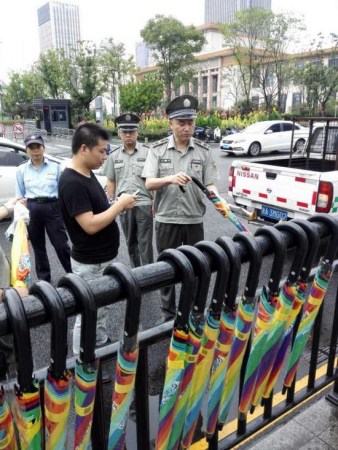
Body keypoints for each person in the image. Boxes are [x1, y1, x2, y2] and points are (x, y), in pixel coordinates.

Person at [58, 122, 137, 356]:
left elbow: (96, 210)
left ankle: (99, 343)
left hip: (101, 258)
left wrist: (115, 205)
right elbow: (90, 225)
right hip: (91, 262)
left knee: (100, 309)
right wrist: (120, 206)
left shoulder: (86, 173)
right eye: (101, 151)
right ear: (84, 148)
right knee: (89, 312)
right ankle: (84, 361)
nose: (105, 156)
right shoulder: (72, 182)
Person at [142, 94, 219, 322]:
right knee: (167, 267)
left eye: (190, 123)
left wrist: (213, 193)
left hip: (194, 219)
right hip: (166, 219)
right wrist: (171, 178)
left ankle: (193, 310)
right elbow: (149, 183)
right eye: (181, 123)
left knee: (196, 266)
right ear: (171, 124)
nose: (187, 128)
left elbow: (211, 182)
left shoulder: (204, 151)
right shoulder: (157, 150)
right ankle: (167, 313)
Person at [16, 134, 71, 283]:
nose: (35, 151)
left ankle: (73, 274)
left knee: (61, 244)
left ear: (43, 148)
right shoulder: (21, 170)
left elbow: (62, 192)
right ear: (27, 150)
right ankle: (44, 280)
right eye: (31, 148)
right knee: (38, 248)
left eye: (38, 147)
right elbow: (20, 195)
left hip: (53, 207)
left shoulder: (56, 167)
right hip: (32, 209)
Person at [103, 113, 154, 267]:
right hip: (123, 206)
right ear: (119, 133)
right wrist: (111, 205)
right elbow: (111, 181)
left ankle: (150, 274)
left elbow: (153, 179)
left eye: (131, 131)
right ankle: (136, 275)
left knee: (145, 243)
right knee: (130, 243)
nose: (128, 135)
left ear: (137, 132)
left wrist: (155, 203)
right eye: (124, 132)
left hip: (144, 204)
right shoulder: (113, 156)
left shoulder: (148, 152)